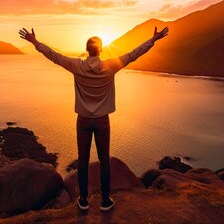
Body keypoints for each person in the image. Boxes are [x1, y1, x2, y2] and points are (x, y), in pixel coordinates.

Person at [19, 26, 169, 212]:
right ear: (101, 50)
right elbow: (134, 54)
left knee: (82, 160)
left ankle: (83, 201)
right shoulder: (111, 66)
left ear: (86, 49)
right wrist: (152, 40)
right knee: (104, 160)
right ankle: (105, 201)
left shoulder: (77, 66)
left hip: (83, 120)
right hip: (102, 121)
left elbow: (54, 55)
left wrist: (35, 42)